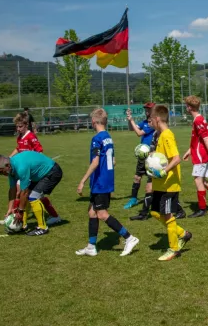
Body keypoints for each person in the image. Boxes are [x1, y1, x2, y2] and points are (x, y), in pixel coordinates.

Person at [74, 108, 139, 257]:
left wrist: (82, 181)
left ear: (93, 121)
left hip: (100, 182)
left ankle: (129, 238)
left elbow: (95, 162)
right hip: (105, 180)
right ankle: (91, 246)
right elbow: (114, 161)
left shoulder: (96, 139)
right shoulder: (108, 137)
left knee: (102, 214)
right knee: (92, 212)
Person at [143, 105, 192, 261]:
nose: (150, 122)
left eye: (151, 119)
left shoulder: (167, 135)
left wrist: (163, 172)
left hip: (169, 185)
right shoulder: (159, 135)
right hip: (160, 184)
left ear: (157, 119)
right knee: (155, 212)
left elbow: (176, 159)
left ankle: (173, 249)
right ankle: (183, 234)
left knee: (167, 215)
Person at [0, 113, 61, 228]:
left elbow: (39, 151)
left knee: (25, 194)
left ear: (26, 125)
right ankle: (17, 218)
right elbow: (18, 148)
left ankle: (20, 219)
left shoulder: (31, 136)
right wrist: (9, 159)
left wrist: (35, 165)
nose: (18, 129)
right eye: (17, 127)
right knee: (27, 194)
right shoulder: (19, 137)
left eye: (20, 126)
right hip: (20, 167)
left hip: (28, 169)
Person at [0, 151, 63, 236]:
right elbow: (12, 190)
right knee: (28, 197)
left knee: (33, 197)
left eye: (1, 171)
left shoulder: (21, 168)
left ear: (7, 166)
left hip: (52, 172)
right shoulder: (11, 168)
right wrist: (10, 209)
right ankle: (22, 225)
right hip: (40, 175)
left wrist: (20, 212)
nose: (0, 174)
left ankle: (43, 228)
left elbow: (24, 192)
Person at [124, 102, 156, 209]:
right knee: (137, 177)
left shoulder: (153, 123)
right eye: (146, 109)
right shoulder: (144, 122)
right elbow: (132, 128)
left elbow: (139, 133)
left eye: (149, 109)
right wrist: (129, 119)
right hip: (143, 155)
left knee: (151, 179)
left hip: (152, 154)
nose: (147, 111)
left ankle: (152, 200)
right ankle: (133, 199)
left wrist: (132, 120)